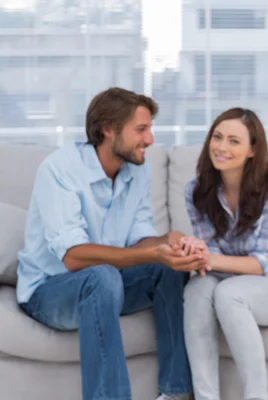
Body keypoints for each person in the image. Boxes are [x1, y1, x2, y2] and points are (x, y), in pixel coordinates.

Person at [16, 87, 202, 400]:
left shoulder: (136, 170)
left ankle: (175, 393)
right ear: (108, 129)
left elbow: (140, 238)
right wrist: (150, 251)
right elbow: (74, 257)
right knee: (101, 276)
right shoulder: (60, 169)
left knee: (166, 269)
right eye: (141, 130)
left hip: (107, 283)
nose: (150, 140)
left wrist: (169, 243)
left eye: (150, 129)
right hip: (49, 290)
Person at [181, 107, 268, 400]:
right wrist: (194, 252)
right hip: (228, 276)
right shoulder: (197, 190)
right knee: (196, 290)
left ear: (252, 149)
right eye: (217, 137)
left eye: (234, 140)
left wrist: (208, 258)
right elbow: (209, 251)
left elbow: (266, 262)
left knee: (229, 293)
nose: (221, 147)